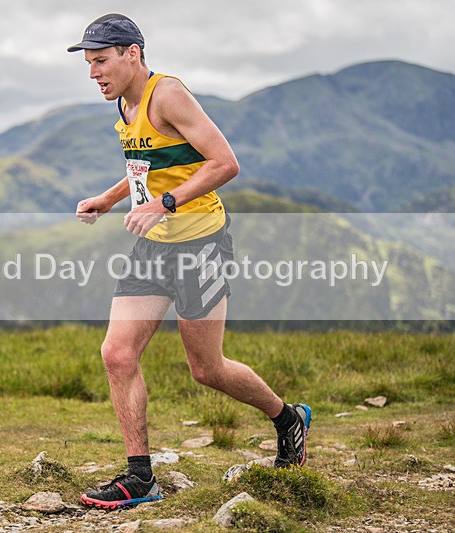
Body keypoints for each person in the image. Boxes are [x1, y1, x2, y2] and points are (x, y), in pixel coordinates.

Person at [68, 13, 311, 510]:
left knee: (207, 369)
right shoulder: (123, 100)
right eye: (89, 63)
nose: (93, 73)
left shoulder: (168, 94)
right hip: (154, 247)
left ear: (132, 53)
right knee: (117, 353)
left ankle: (287, 418)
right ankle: (141, 478)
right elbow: (151, 164)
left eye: (101, 61)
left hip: (201, 244)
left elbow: (225, 163)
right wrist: (112, 198)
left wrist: (166, 204)